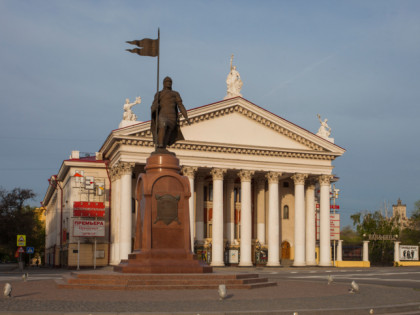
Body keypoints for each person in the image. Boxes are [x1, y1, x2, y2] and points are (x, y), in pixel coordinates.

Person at [151, 77, 189, 151]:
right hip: (163, 115)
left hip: (172, 116)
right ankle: (160, 145)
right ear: (163, 83)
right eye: (167, 82)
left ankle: (163, 147)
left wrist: (186, 116)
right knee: (163, 127)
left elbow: (180, 105)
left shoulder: (175, 94)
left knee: (168, 133)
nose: (168, 83)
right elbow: (154, 105)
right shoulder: (159, 94)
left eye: (170, 82)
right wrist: (155, 108)